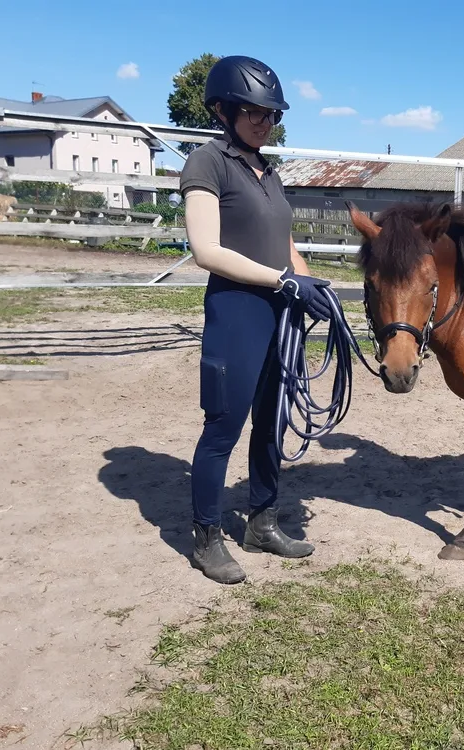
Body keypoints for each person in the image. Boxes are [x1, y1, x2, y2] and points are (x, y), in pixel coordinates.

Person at [179, 55, 333, 584]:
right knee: (223, 427)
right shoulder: (208, 162)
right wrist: (280, 280)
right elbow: (205, 249)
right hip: (237, 312)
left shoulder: (270, 173)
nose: (264, 122)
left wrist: (307, 285)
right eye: (253, 112)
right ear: (222, 109)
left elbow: (284, 244)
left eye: (271, 114)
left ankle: (262, 522)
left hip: (279, 311)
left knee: (270, 423)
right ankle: (206, 537)